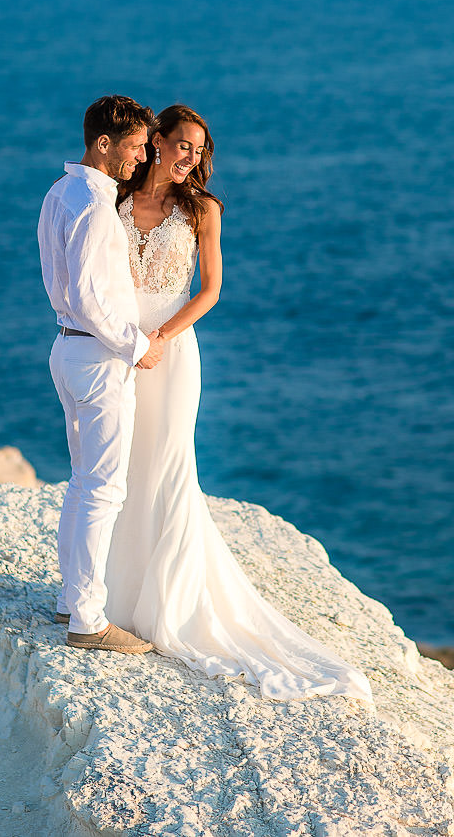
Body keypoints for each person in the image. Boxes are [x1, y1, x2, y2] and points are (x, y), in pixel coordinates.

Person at [104, 104, 372, 702]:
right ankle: (118, 601)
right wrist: (122, 341)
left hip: (170, 355)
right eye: (181, 146)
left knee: (169, 466)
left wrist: (159, 340)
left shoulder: (203, 210)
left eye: (199, 151)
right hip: (119, 351)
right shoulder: (114, 201)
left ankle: (169, 606)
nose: (190, 158)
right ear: (155, 143)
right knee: (123, 466)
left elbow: (211, 290)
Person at [39, 95, 163, 654]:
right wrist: (136, 345)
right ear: (104, 143)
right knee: (104, 488)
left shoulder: (60, 192)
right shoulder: (91, 201)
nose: (142, 158)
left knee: (83, 480)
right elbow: (90, 296)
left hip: (68, 348)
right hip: (96, 354)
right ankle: (88, 620)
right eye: (136, 147)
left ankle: (71, 600)